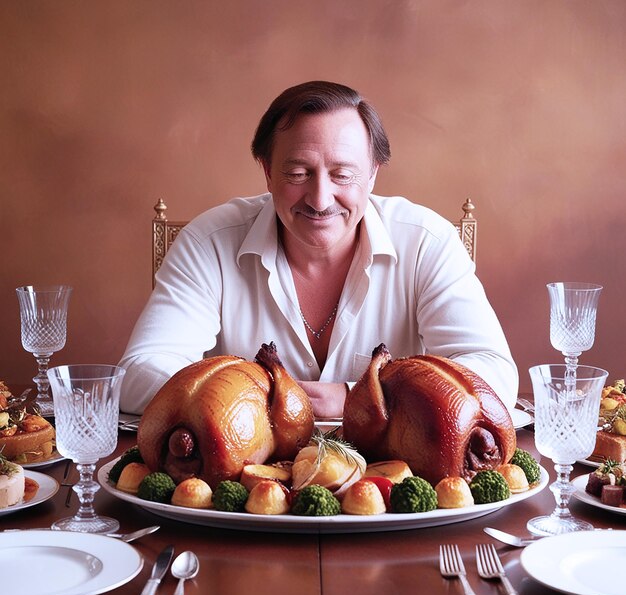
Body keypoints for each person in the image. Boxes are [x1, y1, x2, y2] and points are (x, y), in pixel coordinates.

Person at [118, 80, 518, 417]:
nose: (320, 198)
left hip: (398, 486)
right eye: (297, 173)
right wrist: (256, 399)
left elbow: (494, 375)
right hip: (240, 489)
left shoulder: (426, 242)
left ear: (373, 174)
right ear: (267, 172)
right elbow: (137, 375)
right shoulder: (209, 242)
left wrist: (358, 398)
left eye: (343, 175)